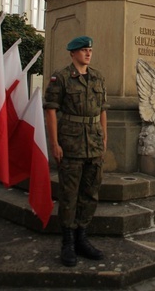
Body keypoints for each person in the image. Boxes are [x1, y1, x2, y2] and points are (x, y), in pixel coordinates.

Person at [44, 36, 108, 266]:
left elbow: (102, 111)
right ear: (73, 54)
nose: (88, 54)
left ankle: (82, 237)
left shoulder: (98, 77)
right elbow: (51, 111)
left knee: (90, 193)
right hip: (71, 144)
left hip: (94, 143)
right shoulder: (60, 78)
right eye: (83, 50)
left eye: (90, 50)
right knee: (69, 195)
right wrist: (54, 144)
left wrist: (104, 138)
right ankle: (68, 242)